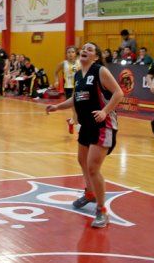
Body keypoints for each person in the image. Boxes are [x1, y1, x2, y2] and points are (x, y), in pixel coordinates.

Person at [46, 42, 123, 228]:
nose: (85, 51)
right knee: (82, 160)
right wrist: (57, 107)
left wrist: (104, 111)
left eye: (90, 49)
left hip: (103, 125)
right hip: (86, 125)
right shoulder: (78, 74)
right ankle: (90, 193)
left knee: (93, 168)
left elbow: (118, 93)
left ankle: (102, 211)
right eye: (84, 48)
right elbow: (76, 98)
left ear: (96, 56)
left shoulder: (100, 71)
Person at [52, 46, 80, 134]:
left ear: (76, 53)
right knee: (76, 110)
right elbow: (55, 72)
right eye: (68, 52)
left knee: (79, 110)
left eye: (72, 52)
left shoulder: (80, 62)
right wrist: (56, 81)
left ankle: (71, 122)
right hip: (69, 88)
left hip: (79, 87)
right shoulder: (63, 63)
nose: (70, 54)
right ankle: (80, 133)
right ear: (66, 54)